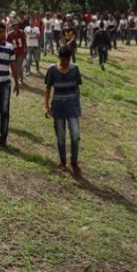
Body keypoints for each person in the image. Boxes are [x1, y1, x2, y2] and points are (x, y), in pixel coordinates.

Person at [44, 46, 83, 176]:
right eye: (63, 59)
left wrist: (78, 105)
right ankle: (62, 160)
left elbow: (77, 88)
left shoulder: (75, 69)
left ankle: (74, 161)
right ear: (59, 58)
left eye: (67, 59)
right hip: (58, 105)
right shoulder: (52, 70)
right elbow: (48, 88)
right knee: (60, 135)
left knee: (75, 134)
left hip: (72, 105)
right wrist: (46, 106)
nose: (65, 62)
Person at [7, 20, 27, 84]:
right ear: (12, 27)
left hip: (20, 52)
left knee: (19, 66)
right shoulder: (10, 34)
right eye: (15, 25)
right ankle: (16, 77)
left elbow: (24, 41)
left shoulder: (21, 32)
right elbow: (8, 44)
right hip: (13, 52)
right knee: (14, 66)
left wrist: (25, 48)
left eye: (17, 25)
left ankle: (20, 79)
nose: (16, 26)